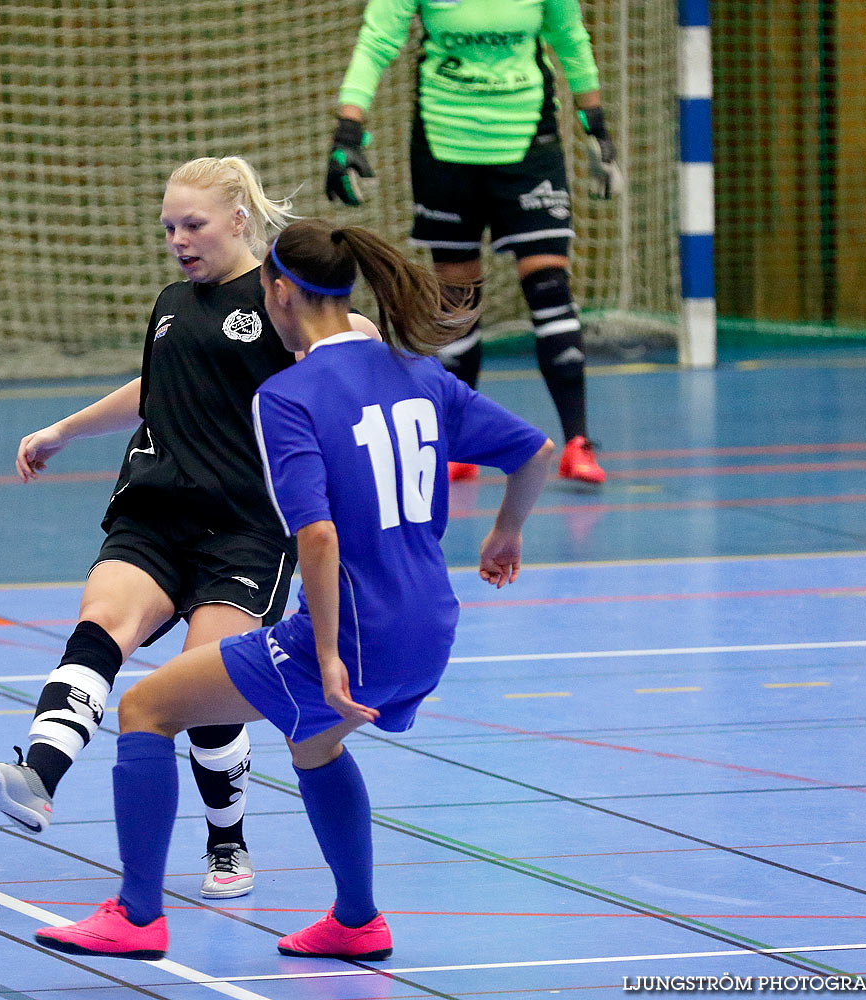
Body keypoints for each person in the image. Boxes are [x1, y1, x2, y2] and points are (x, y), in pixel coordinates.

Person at [31, 218, 554, 961]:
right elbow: (534, 451)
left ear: (280, 293)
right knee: (313, 744)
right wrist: (507, 533)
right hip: (432, 624)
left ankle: (137, 916)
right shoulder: (420, 374)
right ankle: (356, 920)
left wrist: (332, 654)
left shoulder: (289, 395)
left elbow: (317, 537)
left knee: (146, 708)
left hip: (353, 631)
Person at [0, 156, 377, 900]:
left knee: (203, 688)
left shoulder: (279, 302)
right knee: (99, 626)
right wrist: (63, 430)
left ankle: (227, 840)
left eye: (194, 225)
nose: (179, 240)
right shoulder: (173, 301)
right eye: (168, 228)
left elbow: (356, 341)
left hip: (247, 528)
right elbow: (155, 388)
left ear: (239, 221)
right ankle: (36, 778)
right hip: (155, 509)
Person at [325, 0, 623, 484]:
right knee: (458, 297)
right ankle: (456, 444)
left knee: (549, 284)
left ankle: (577, 442)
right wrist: (348, 130)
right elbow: (376, 42)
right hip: (446, 148)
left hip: (528, 145)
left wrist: (597, 126)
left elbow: (571, 39)